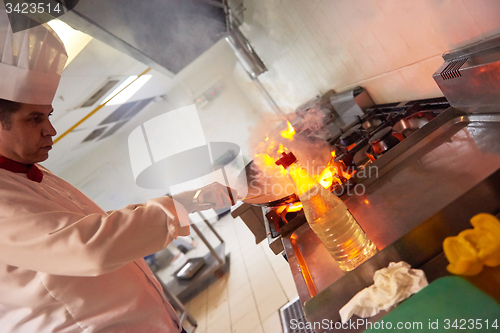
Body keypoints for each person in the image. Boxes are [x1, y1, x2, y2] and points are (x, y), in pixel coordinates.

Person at [0, 11, 236, 333]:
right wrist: (192, 202)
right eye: (34, 119)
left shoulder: (31, 172)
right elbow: (92, 247)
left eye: (48, 116)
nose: (50, 130)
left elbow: (101, 227)